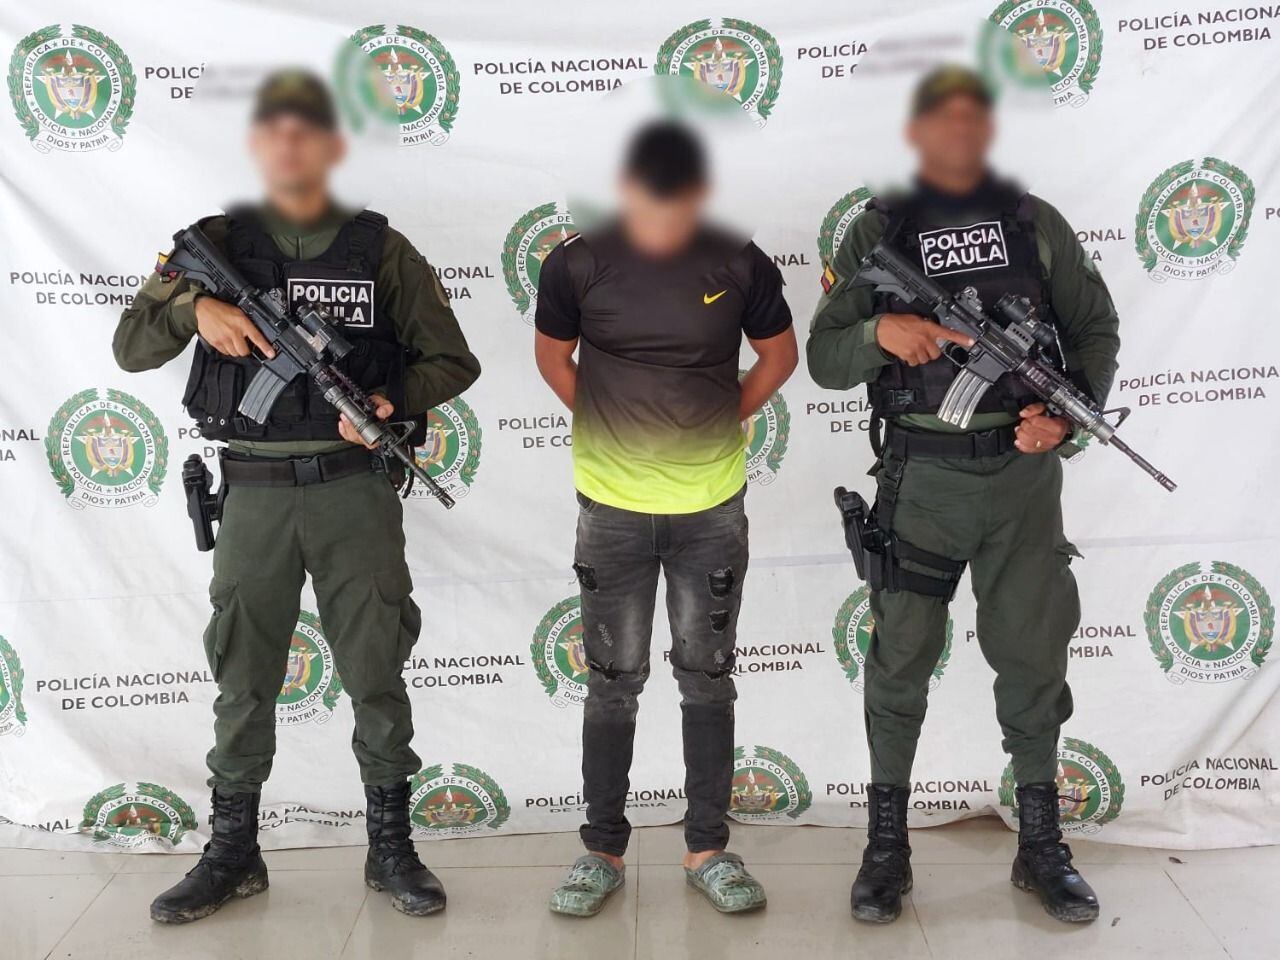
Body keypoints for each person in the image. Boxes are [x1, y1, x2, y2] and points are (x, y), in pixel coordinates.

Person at [113, 69, 480, 923]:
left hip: (354, 492)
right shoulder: (210, 243)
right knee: (244, 674)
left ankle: (391, 848)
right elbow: (132, 347)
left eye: (306, 130)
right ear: (258, 145)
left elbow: (451, 361)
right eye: (273, 131)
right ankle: (234, 853)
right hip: (254, 497)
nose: (290, 145)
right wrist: (194, 309)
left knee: (375, 669)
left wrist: (391, 403)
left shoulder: (381, 249)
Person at [808, 66, 1119, 924]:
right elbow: (826, 361)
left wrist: (1067, 422)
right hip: (922, 484)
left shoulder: (1034, 224)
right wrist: (881, 329)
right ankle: (886, 850)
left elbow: (1094, 327)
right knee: (900, 659)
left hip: (1022, 484)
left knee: (1031, 658)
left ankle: (1041, 847)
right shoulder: (876, 233)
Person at [534, 120, 798, 917]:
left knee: (705, 679)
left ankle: (708, 849)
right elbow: (553, 357)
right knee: (612, 684)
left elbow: (780, 356)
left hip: (710, 509)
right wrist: (607, 424)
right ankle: (600, 851)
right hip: (610, 512)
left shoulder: (739, 260)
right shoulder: (577, 261)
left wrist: (724, 420)